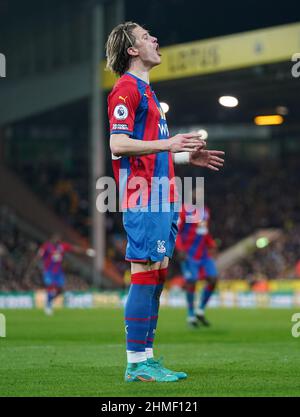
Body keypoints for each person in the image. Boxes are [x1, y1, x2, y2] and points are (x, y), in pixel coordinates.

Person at [106, 21, 224, 383]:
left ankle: (147, 358)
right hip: (143, 196)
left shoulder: (149, 94)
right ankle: (136, 364)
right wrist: (170, 144)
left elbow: (153, 153)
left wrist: (188, 159)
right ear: (131, 50)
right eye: (145, 36)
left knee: (156, 276)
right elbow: (118, 145)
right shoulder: (126, 88)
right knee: (144, 274)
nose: (155, 39)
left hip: (162, 194)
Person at [27, 233, 94, 315]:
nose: (57, 240)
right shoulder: (46, 246)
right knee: (51, 287)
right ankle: (48, 306)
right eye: (55, 239)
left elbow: (74, 248)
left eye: (59, 239)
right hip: (49, 271)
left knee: (61, 289)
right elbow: (39, 255)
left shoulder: (62, 246)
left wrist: (86, 251)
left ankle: (49, 301)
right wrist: (32, 265)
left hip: (58, 272)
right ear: (51, 239)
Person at [176, 204, 218, 327]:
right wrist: (180, 249)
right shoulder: (183, 210)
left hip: (204, 254)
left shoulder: (205, 210)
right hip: (188, 254)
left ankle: (200, 310)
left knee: (213, 279)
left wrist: (212, 244)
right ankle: (191, 316)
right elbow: (177, 231)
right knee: (191, 281)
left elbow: (203, 231)